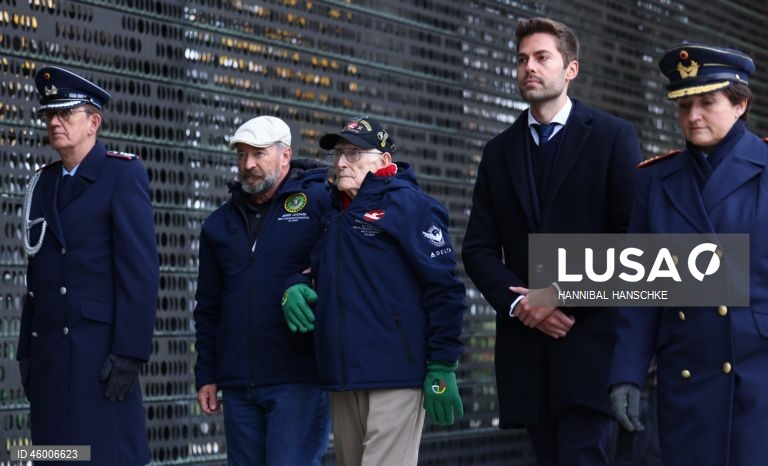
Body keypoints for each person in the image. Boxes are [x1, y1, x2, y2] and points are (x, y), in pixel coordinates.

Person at [461, 17, 642, 466]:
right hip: (527, 356)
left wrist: (559, 294)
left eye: (542, 57)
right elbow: (478, 249)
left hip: (591, 350)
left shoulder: (612, 137)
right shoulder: (498, 151)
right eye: (522, 59)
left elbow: (633, 242)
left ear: (571, 69)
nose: (529, 67)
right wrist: (525, 306)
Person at [609, 43, 768, 466]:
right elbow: (640, 288)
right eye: (683, 105)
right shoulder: (656, 181)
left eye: (707, 102)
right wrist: (627, 372)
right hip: (686, 376)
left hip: (758, 374)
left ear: (740, 104)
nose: (693, 115)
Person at [282, 116, 466, 466]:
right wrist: (295, 285)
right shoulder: (333, 215)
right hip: (343, 376)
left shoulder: (410, 206)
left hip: (395, 375)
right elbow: (318, 271)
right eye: (338, 154)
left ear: (383, 161)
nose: (340, 163)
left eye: (353, 154)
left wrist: (442, 365)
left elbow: (445, 290)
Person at [17, 66, 159, 465]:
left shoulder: (121, 174)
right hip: (49, 358)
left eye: (65, 114)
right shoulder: (42, 182)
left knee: (104, 456)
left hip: (100, 358)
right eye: (50, 115)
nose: (55, 123)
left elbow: (140, 272)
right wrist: (26, 350)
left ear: (93, 122)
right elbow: (37, 275)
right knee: (54, 457)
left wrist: (131, 352)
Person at [194, 115, 331, 466]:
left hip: (298, 379)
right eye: (241, 155)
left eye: (257, 154)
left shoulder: (319, 204)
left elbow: (343, 270)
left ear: (285, 156)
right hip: (238, 384)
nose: (248, 164)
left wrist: (304, 282)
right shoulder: (218, 225)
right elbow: (208, 307)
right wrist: (207, 374)